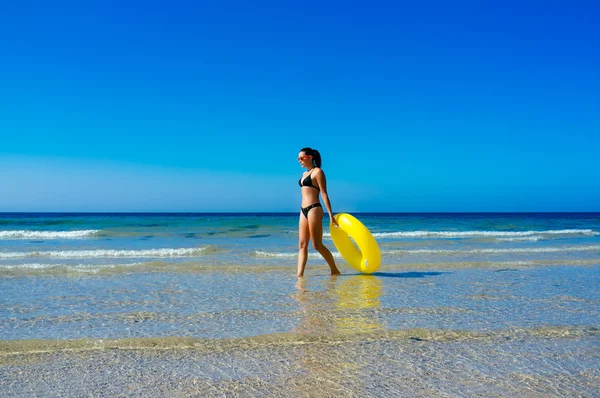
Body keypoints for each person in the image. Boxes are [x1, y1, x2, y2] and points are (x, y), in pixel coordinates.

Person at [297, 147, 341, 277]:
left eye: (301, 158)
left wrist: (330, 214)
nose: (299, 160)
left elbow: (324, 193)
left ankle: (334, 269)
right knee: (302, 244)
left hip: (314, 208)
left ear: (310, 157)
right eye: (298, 158)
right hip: (303, 210)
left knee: (317, 245)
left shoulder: (318, 172)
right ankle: (299, 275)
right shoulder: (304, 174)